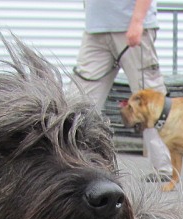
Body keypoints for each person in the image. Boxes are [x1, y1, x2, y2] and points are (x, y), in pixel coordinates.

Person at [72, 0, 173, 180]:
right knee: (77, 100)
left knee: (151, 100)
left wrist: (137, 21)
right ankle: (72, 162)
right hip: (95, 28)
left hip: (131, 26)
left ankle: (165, 168)